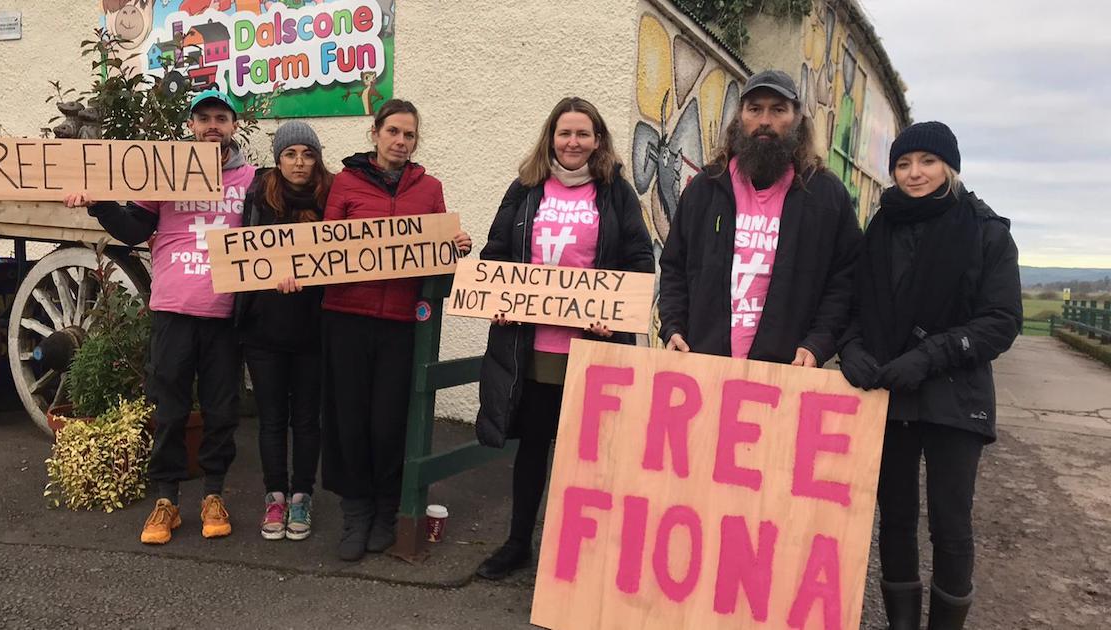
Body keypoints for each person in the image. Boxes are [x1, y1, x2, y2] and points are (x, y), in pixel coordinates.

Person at [838, 121, 1021, 630]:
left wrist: (932, 353)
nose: (914, 173)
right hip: (889, 392)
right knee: (894, 518)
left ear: (950, 167)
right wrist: (851, 347)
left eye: (927, 162)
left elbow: (1001, 322)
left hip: (954, 397)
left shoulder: (986, 231)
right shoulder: (880, 228)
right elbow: (854, 305)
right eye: (903, 164)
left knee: (951, 523)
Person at [64, 89, 256, 544]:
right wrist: (99, 204)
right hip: (173, 310)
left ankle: (213, 494)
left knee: (222, 410)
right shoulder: (163, 174)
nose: (213, 125)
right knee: (168, 410)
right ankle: (166, 499)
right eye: (204, 118)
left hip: (226, 315)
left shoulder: (251, 179)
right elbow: (133, 230)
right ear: (191, 126)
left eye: (221, 118)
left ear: (233, 126)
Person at [473, 96, 654, 580]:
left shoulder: (616, 194)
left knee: (587, 456)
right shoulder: (526, 188)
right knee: (532, 447)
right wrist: (499, 299)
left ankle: (573, 553)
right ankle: (517, 544)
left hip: (593, 349)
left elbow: (640, 263)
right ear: (550, 137)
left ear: (598, 140)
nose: (573, 143)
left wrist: (612, 316)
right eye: (564, 133)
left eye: (583, 134)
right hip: (532, 350)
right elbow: (496, 256)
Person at [319, 99, 472, 561]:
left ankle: (387, 511)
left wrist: (457, 246)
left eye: (409, 134)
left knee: (388, 423)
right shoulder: (345, 183)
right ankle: (355, 513)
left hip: (401, 325)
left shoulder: (431, 190)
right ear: (375, 133)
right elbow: (325, 248)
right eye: (393, 132)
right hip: (346, 318)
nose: (401, 141)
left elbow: (439, 253)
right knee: (348, 420)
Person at [658, 69, 861, 366]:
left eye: (778, 110)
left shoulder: (826, 196)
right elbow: (674, 266)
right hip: (703, 365)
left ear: (797, 119)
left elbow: (845, 280)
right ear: (740, 117)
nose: (765, 121)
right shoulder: (705, 188)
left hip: (786, 372)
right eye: (755, 109)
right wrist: (673, 327)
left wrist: (818, 343)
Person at [235, 121, 332, 541]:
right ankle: (275, 495)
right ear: (278, 158)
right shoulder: (258, 196)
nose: (299, 163)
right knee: (272, 419)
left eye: (307, 155)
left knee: (307, 421)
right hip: (265, 331)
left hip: (313, 329)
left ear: (316, 159)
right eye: (291, 154)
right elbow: (240, 253)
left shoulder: (331, 196)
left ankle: (301, 497)